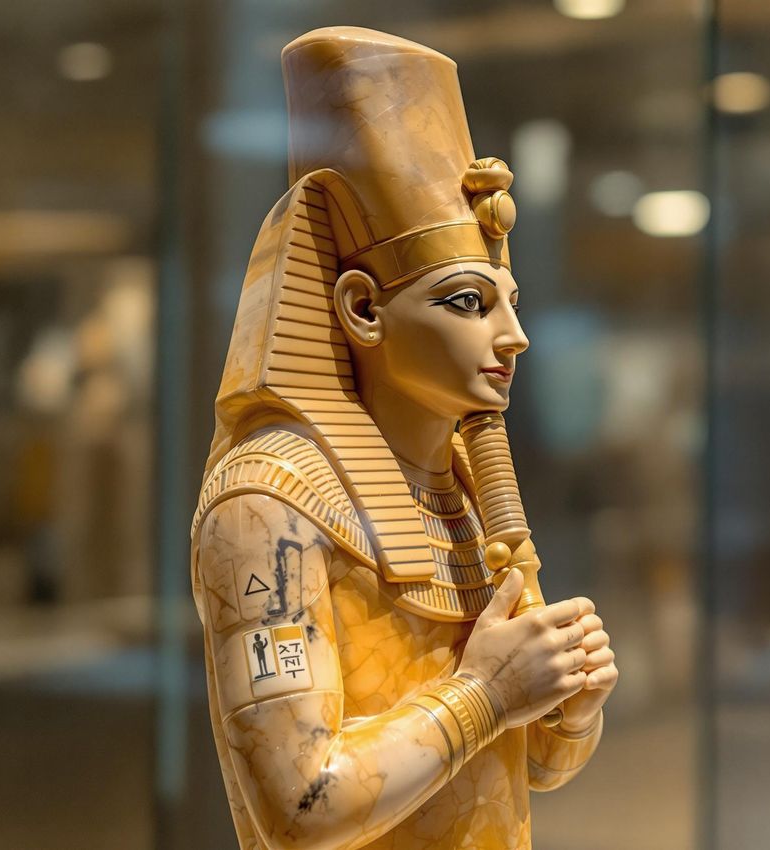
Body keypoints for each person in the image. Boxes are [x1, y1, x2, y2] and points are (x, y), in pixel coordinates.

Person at [190, 27, 618, 850]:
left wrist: (569, 709)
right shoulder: (266, 508)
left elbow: (529, 766)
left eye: (511, 300)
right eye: (467, 302)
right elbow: (301, 804)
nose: (515, 336)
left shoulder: (461, 484)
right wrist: (486, 694)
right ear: (361, 309)